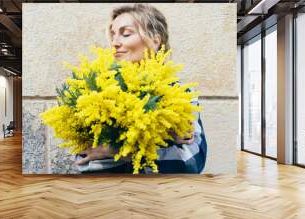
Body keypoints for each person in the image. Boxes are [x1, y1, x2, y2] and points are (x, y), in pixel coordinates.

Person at [75, 3, 207, 174]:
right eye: (113, 35)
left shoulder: (180, 94)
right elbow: (84, 162)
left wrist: (114, 151)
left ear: (155, 41)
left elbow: (190, 161)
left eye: (126, 34)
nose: (115, 43)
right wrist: (159, 142)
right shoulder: (97, 94)